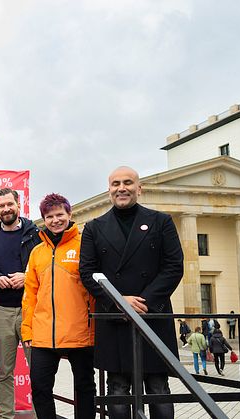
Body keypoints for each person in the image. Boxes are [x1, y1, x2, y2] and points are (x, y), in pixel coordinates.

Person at [79, 166, 183, 419]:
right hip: (114, 318)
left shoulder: (161, 221)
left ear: (139, 188)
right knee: (117, 388)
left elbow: (173, 267)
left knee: (158, 387)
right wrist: (120, 302)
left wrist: (143, 302)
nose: (121, 188)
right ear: (109, 190)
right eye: (116, 184)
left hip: (152, 315)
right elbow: (87, 272)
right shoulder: (94, 227)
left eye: (127, 182)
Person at [22, 194, 95, 419]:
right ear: (44, 219)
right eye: (49, 216)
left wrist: (94, 325)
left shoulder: (85, 245)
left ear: (69, 215)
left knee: (84, 388)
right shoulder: (37, 252)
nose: (55, 220)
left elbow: (94, 290)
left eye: (59, 215)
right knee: (40, 389)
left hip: (80, 332)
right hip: (44, 334)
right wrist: (27, 330)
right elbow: (30, 295)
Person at [0, 188, 40, 419]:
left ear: (18, 204)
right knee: (4, 371)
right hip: (1, 311)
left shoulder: (35, 234)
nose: (6, 209)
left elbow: (44, 269)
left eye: (9, 204)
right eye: (1, 206)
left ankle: (41, 414)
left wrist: (27, 276)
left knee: (39, 370)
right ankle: (5, 416)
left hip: (31, 310)